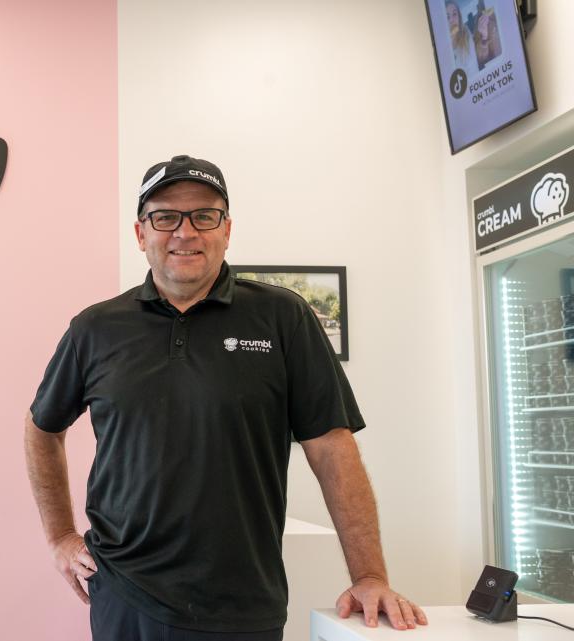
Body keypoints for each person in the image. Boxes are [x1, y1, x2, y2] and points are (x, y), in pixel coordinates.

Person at [24, 155, 428, 640]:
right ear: (141, 234)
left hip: (243, 605)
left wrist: (369, 576)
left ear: (227, 229)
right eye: (165, 217)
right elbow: (42, 428)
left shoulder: (284, 318)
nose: (185, 232)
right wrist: (61, 537)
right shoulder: (96, 328)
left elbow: (332, 449)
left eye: (204, 216)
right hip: (125, 596)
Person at [446, 0, 478, 76]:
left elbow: (473, 66)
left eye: (454, 14)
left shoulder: (466, 35)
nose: (451, 20)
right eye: (447, 17)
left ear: (459, 17)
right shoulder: (441, 46)